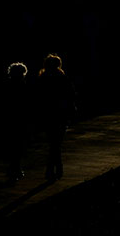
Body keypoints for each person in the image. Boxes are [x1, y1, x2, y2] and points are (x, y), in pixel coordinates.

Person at [36, 53, 76, 181]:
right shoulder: (63, 78)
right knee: (57, 143)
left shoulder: (42, 79)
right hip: (61, 114)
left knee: (53, 143)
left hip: (48, 114)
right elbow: (71, 96)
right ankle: (56, 168)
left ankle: (53, 169)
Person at [1, 62, 31, 184]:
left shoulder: (7, 85)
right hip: (20, 120)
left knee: (12, 145)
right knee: (19, 145)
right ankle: (16, 168)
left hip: (10, 120)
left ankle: (13, 168)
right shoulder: (24, 86)